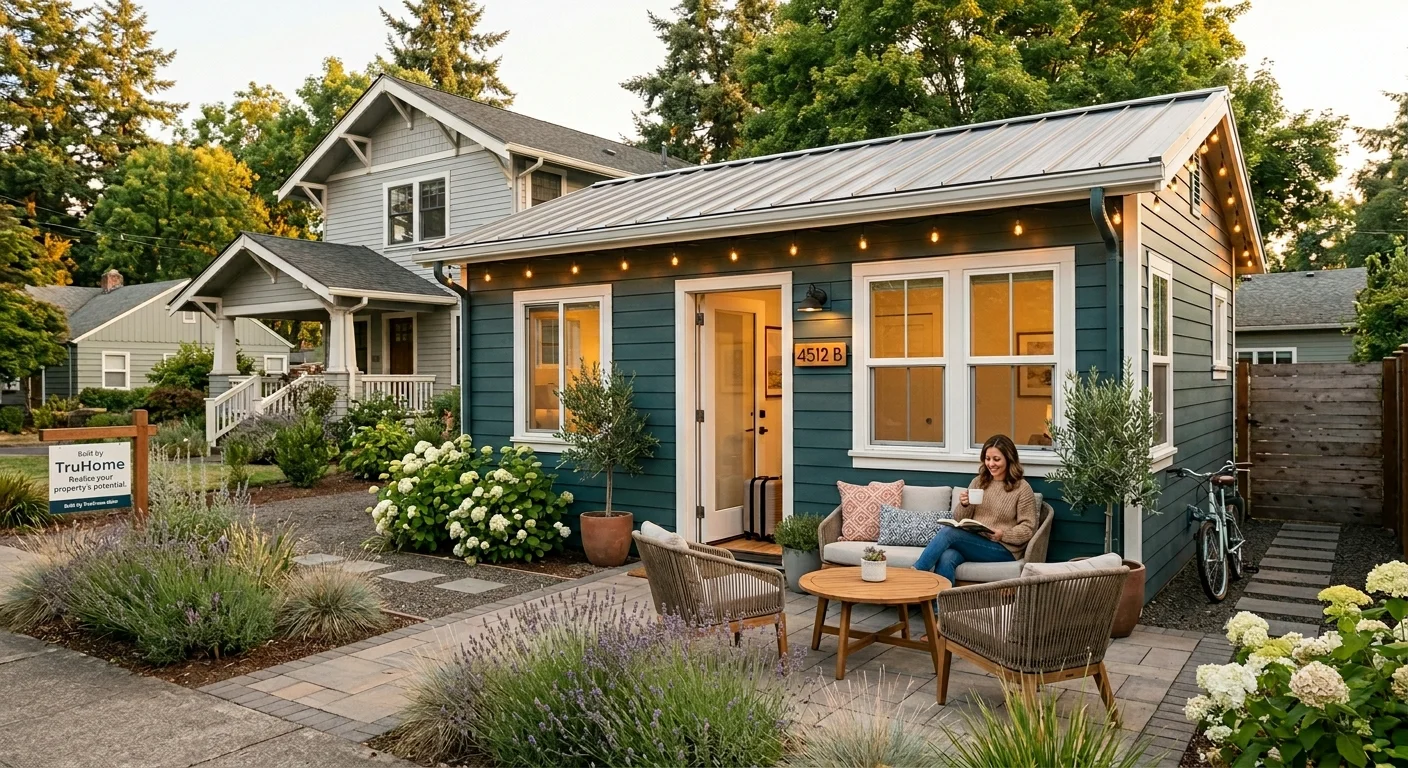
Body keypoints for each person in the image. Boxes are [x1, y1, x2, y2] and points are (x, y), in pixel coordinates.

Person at [912, 434, 1037, 584]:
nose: (991, 464)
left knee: (949, 533)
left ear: (1009, 459)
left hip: (1004, 549)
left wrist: (1003, 534)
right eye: (987, 459)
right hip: (976, 542)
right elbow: (958, 519)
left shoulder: (1022, 488)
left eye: (996, 459)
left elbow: (1028, 528)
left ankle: (916, 574)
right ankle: (941, 600)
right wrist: (965, 504)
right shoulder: (979, 482)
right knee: (947, 557)